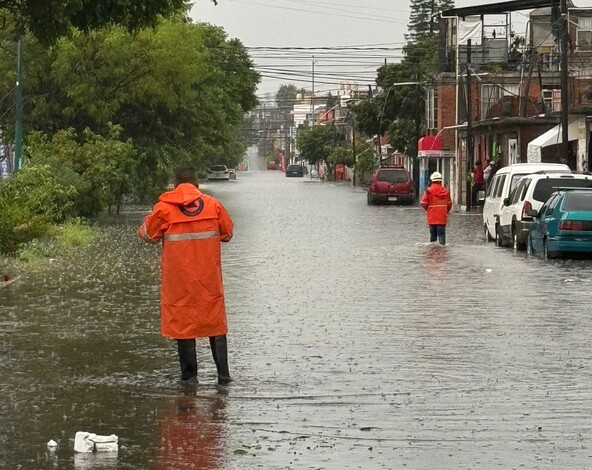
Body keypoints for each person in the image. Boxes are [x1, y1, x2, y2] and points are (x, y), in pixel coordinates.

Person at [138, 167, 234, 385]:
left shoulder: (163, 209)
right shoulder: (213, 205)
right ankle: (224, 377)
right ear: (197, 183)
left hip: (178, 282)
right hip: (208, 280)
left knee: (184, 327)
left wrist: (149, 217)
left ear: (175, 184)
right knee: (215, 325)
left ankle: (189, 382)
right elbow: (227, 233)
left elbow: (147, 235)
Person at [420, 171, 453, 245]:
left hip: (432, 218)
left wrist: (428, 209)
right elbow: (449, 204)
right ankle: (442, 253)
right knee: (442, 237)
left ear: (432, 180)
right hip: (442, 218)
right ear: (440, 181)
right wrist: (445, 211)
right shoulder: (445, 191)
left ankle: (433, 252)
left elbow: (423, 202)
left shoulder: (429, 191)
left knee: (433, 238)